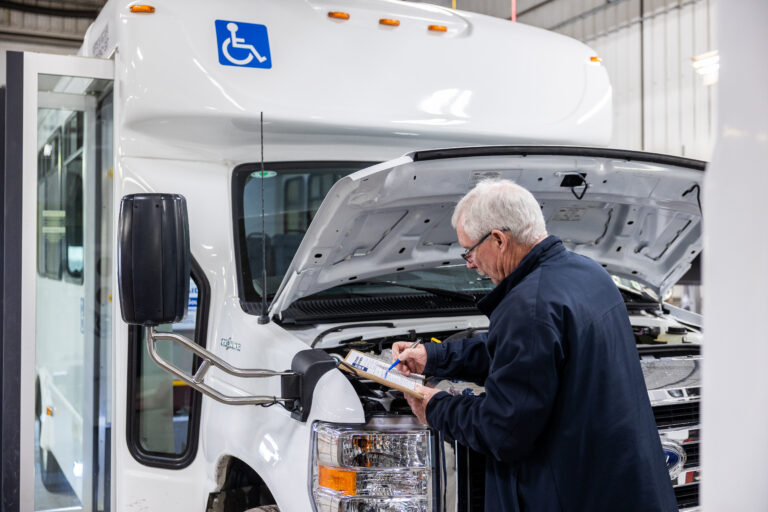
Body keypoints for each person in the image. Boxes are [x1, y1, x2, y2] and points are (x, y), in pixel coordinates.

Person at [393, 179, 677, 511]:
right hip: (622, 488)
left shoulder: (528, 305)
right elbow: (521, 354)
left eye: (469, 250)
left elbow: (501, 432)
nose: (469, 262)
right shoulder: (588, 274)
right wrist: (435, 355)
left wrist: (434, 405)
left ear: (498, 239)